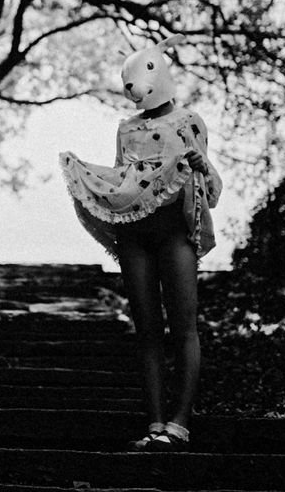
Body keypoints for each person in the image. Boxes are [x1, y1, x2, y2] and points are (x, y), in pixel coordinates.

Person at [59, 35, 221, 451]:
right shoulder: (126, 128)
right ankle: (154, 423)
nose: (131, 86)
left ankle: (179, 423)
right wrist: (88, 179)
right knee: (147, 329)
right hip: (134, 236)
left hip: (175, 234)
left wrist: (202, 166)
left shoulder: (189, 122)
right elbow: (124, 182)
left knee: (184, 326)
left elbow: (212, 192)